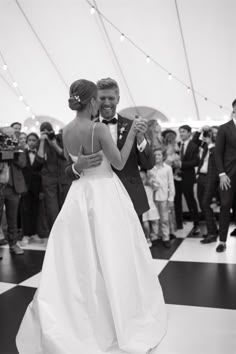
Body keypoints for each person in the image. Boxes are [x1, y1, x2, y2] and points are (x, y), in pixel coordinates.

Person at [16, 79, 167, 353]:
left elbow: (80, 164)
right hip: (106, 196)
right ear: (93, 100)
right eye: (100, 98)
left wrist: (79, 164)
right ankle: (115, 315)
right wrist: (132, 134)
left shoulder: (66, 130)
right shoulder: (98, 127)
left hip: (79, 197)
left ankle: (89, 313)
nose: (104, 102)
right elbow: (117, 162)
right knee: (112, 255)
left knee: (82, 258)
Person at [65, 77, 155, 220]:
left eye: (111, 98)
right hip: (98, 201)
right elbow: (67, 171)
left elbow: (149, 164)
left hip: (130, 198)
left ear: (118, 99)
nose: (107, 103)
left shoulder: (134, 126)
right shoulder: (85, 127)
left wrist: (140, 139)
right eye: (102, 98)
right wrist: (78, 166)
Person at [37, 122, 72, 232]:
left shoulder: (59, 138)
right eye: (44, 130)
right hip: (49, 180)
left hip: (64, 178)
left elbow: (64, 155)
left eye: (49, 130)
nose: (47, 132)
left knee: (65, 206)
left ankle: (66, 233)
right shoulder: (41, 142)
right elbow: (40, 159)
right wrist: (43, 141)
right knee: (52, 209)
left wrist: (53, 143)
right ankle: (55, 234)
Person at [214, 100, 236, 252]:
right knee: (226, 205)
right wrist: (222, 174)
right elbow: (217, 153)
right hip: (228, 175)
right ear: (234, 108)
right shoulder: (224, 128)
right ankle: (222, 241)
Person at [174, 125, 200, 233]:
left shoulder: (194, 146)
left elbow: (196, 162)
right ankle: (179, 224)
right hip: (176, 178)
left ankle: (196, 224)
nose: (181, 134)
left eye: (183, 132)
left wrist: (181, 164)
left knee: (190, 201)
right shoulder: (177, 145)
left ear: (189, 133)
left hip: (188, 178)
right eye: (180, 132)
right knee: (177, 201)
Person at [148, 148, 175, 248]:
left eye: (159, 155)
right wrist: (151, 183)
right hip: (153, 197)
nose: (157, 157)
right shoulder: (150, 169)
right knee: (154, 218)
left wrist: (171, 198)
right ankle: (154, 237)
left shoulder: (167, 169)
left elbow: (171, 184)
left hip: (164, 197)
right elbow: (147, 181)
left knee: (164, 218)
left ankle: (166, 237)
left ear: (163, 156)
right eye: (155, 155)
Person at [140, 169, 159, 247]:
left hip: (149, 205)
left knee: (151, 221)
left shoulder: (149, 185)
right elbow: (157, 186)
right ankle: (149, 238)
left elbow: (157, 186)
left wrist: (151, 179)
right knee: (147, 222)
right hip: (145, 205)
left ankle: (151, 237)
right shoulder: (144, 186)